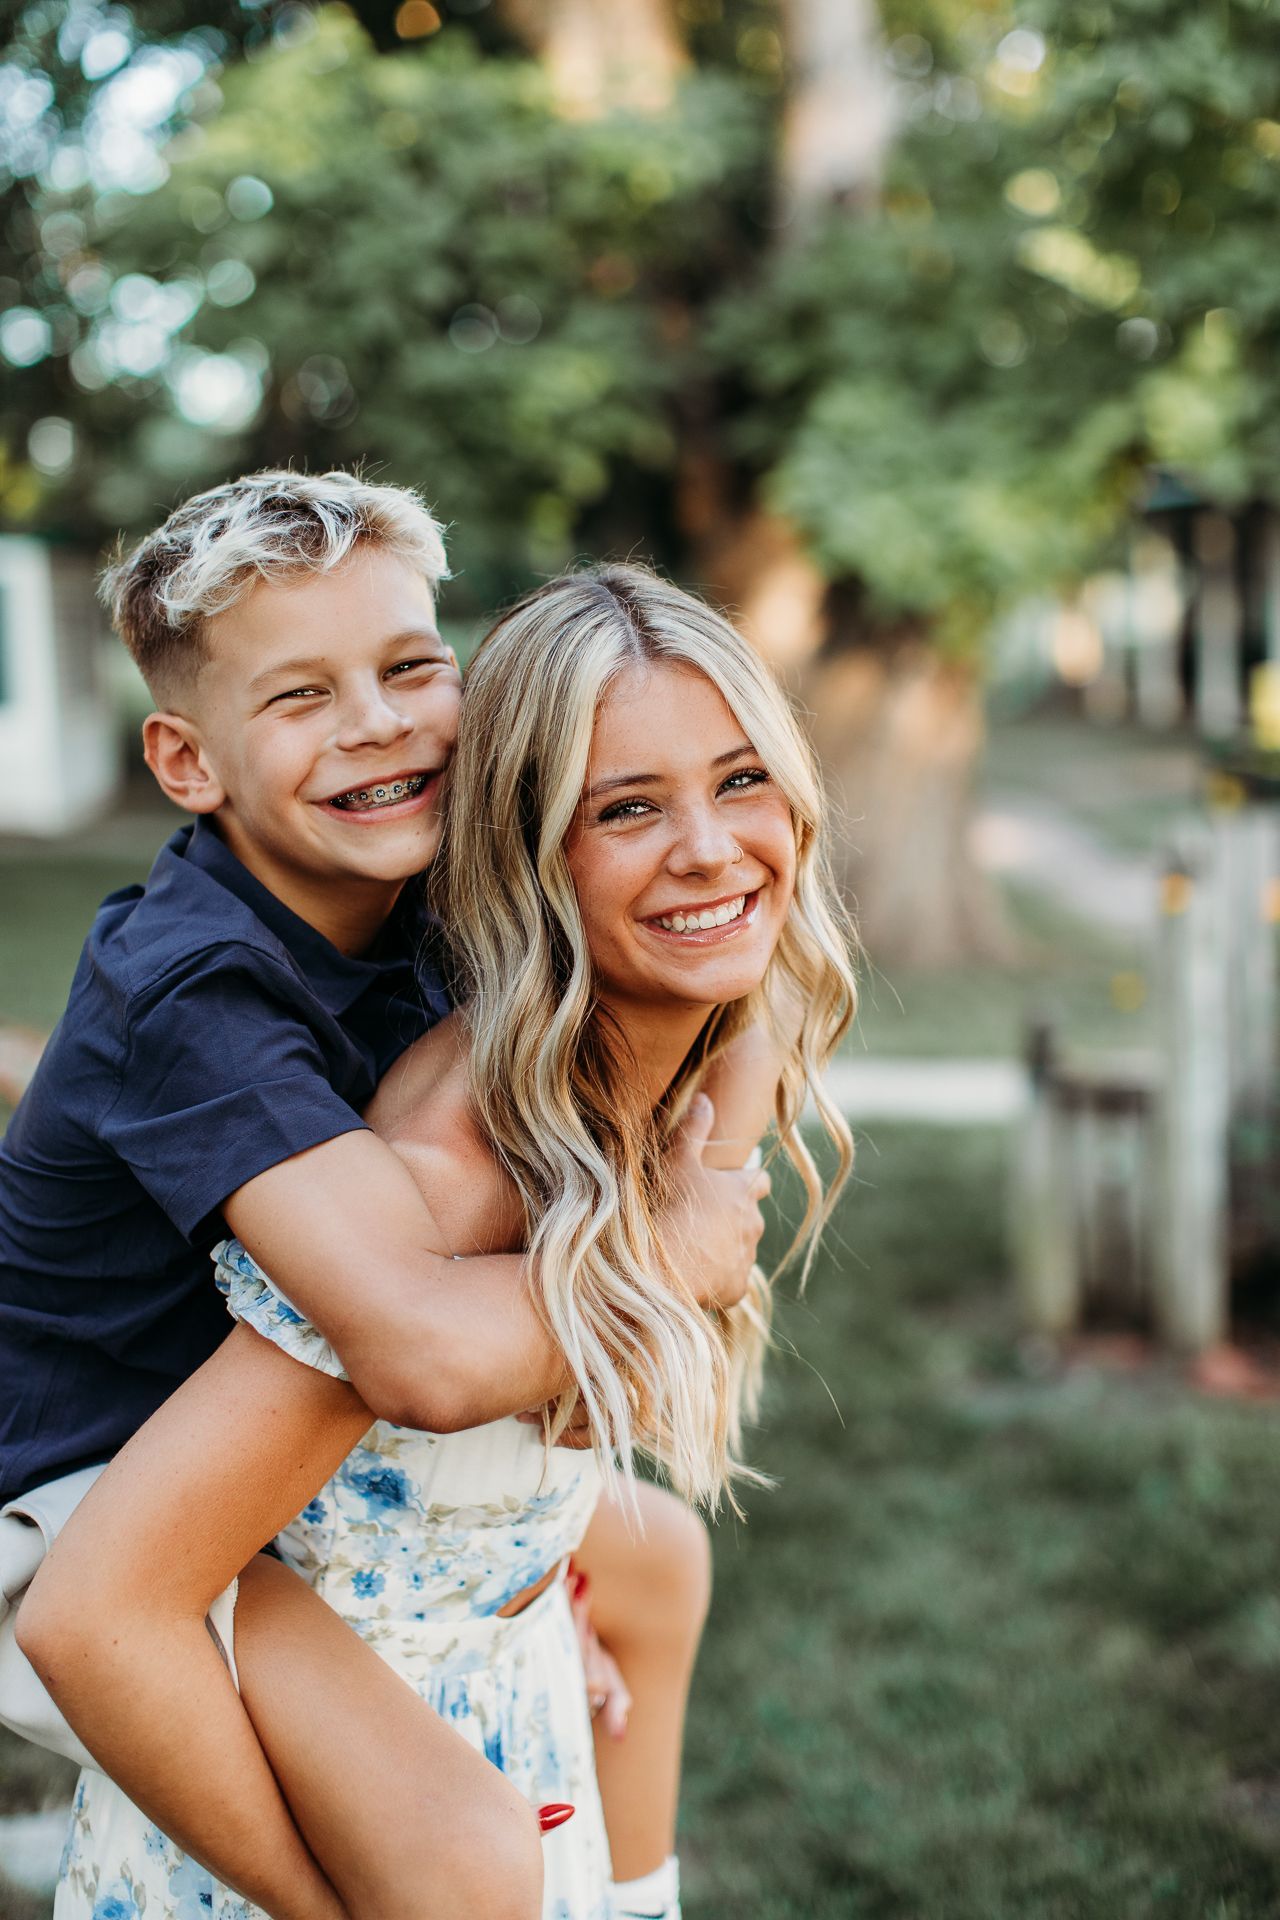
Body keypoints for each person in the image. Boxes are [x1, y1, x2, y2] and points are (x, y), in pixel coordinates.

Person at [22, 563, 856, 1920]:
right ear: (526, 848)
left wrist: (522, 1578)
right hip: (112, 1553)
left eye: (744, 780)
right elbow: (96, 1609)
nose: (709, 848)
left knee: (656, 1558)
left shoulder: (710, 1047)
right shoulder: (413, 1170)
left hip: (484, 1679)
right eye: (628, 808)